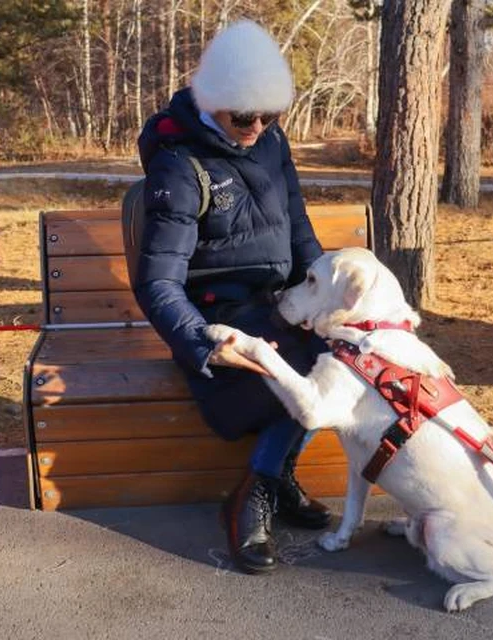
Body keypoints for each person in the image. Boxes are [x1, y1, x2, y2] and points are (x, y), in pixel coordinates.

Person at [132, 20, 331, 574]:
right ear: (215, 102)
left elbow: (298, 229)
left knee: (346, 353)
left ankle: (277, 477)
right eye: (245, 116)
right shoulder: (179, 164)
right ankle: (256, 491)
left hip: (279, 304)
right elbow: (158, 283)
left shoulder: (271, 143)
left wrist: (329, 293)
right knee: (306, 365)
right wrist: (201, 343)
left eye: (270, 115)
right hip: (217, 317)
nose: (257, 126)